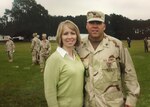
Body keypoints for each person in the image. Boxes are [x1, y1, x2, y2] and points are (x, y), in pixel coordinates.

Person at [76, 11, 140, 107]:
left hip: (112, 104)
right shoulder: (78, 46)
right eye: (91, 23)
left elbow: (129, 72)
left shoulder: (117, 45)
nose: (95, 26)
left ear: (104, 26)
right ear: (86, 26)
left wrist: (132, 98)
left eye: (98, 23)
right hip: (88, 103)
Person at [44, 20, 84, 107]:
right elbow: (50, 91)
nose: (70, 37)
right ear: (60, 36)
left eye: (73, 33)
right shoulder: (54, 59)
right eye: (65, 34)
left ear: (77, 35)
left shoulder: (76, 55)